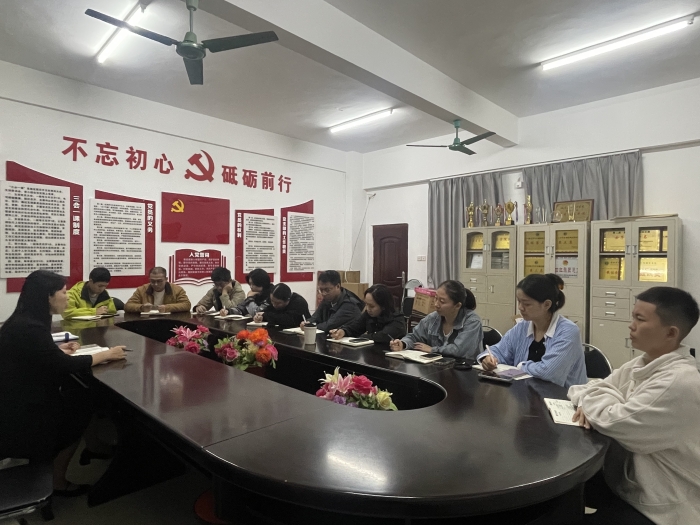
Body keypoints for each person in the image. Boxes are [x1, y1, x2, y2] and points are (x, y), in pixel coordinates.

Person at [568, 287, 700, 525]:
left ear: (671, 333)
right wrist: (603, 398)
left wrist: (598, 401)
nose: (631, 325)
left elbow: (614, 421)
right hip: (626, 480)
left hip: (661, 503)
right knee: (559, 496)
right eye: (633, 317)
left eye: (640, 319)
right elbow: (582, 388)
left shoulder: (678, 382)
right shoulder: (643, 363)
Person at [0, 270, 127, 495]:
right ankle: (58, 482)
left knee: (83, 396)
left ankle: (93, 446)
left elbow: (36, 355)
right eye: (63, 292)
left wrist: (55, 350)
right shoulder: (30, 327)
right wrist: (107, 354)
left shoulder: (24, 321)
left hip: (18, 398)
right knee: (80, 410)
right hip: (23, 412)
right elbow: (65, 365)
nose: (67, 297)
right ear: (48, 296)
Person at [477, 273, 586, 388]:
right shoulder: (522, 326)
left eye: (527, 304)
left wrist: (520, 366)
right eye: (519, 301)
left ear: (547, 305)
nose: (520, 307)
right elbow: (499, 350)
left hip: (562, 396)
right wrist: (489, 358)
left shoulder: (568, 331)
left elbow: (548, 372)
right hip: (527, 392)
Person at [389, 280, 482, 360]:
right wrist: (403, 343)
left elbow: (459, 350)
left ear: (457, 305)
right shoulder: (433, 318)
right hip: (437, 367)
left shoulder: (472, 321)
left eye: (442, 301)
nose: (436, 304)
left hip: (464, 369)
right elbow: (414, 336)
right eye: (435, 298)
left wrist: (432, 350)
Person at [330, 284, 406, 344]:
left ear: (383, 306)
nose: (367, 309)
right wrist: (343, 331)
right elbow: (355, 327)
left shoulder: (397, 319)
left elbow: (382, 337)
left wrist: (361, 337)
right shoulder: (369, 314)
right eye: (366, 304)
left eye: (372, 306)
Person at [124, 267, 191, 313]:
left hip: (169, 320)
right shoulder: (142, 290)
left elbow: (186, 305)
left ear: (166, 279)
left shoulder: (177, 290)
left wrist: (167, 308)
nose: (156, 284)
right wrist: (141, 307)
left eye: (159, 281)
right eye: (152, 281)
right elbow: (128, 306)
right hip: (147, 321)